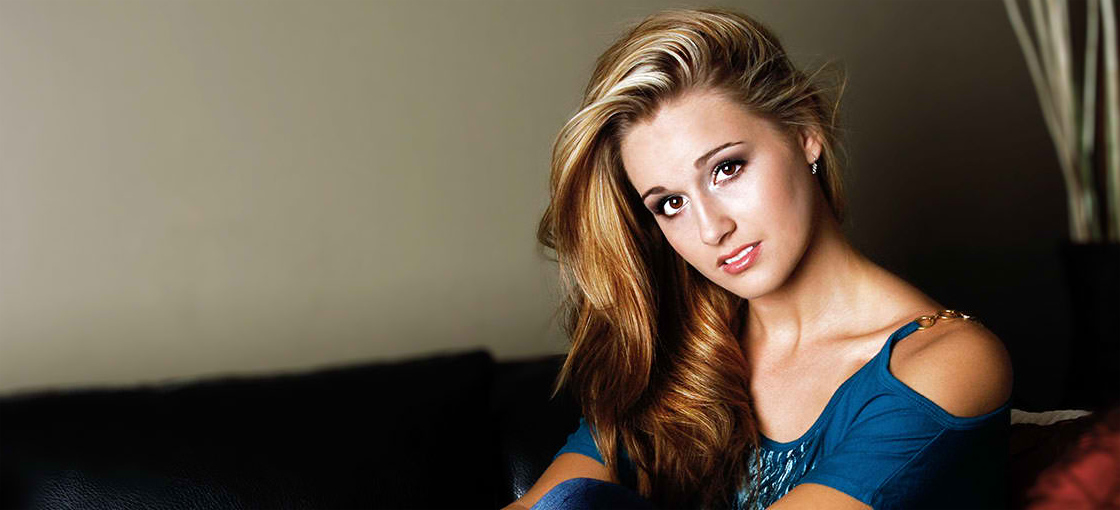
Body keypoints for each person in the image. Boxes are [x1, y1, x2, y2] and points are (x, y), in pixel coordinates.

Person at [505, 7, 1013, 510]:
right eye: (671, 203)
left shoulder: (949, 362)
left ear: (805, 132)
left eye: (726, 168)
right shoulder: (677, 360)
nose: (712, 229)